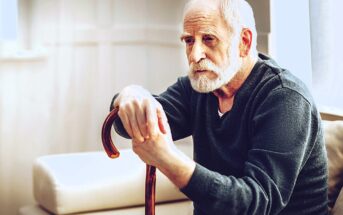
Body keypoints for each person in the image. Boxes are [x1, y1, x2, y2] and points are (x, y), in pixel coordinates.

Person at [110, 0, 329, 214]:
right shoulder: (198, 87)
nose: (195, 55)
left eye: (209, 39)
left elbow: (256, 203)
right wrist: (130, 95)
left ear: (244, 41)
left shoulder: (285, 97)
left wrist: (167, 159)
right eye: (189, 41)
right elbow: (127, 123)